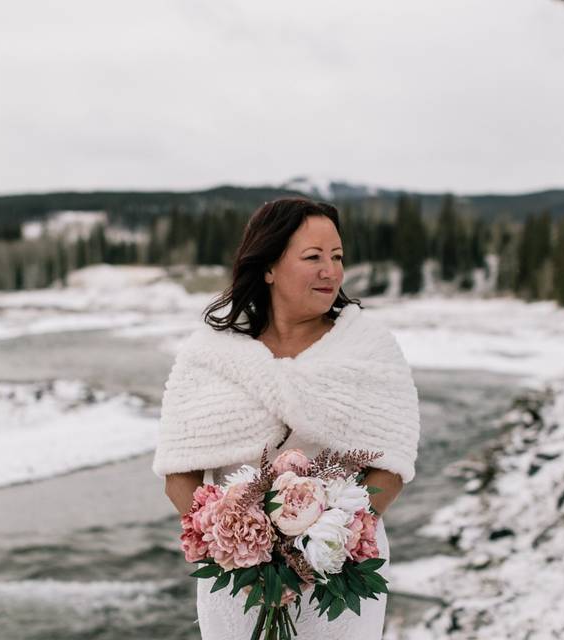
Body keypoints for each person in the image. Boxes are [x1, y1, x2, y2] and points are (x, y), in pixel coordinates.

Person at [152, 197, 421, 639]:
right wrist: (234, 543)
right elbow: (178, 474)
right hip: (237, 575)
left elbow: (390, 466)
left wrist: (330, 542)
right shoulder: (211, 354)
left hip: (338, 568)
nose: (330, 271)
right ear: (269, 267)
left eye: (336, 257)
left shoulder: (368, 348)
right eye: (313, 257)